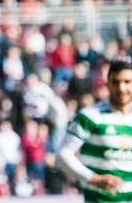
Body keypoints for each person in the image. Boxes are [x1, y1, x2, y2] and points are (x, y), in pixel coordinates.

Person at [56, 58, 132, 203]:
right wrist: (93, 178)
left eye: (127, 82)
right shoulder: (91, 116)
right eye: (115, 82)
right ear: (107, 84)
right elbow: (62, 156)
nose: (121, 88)